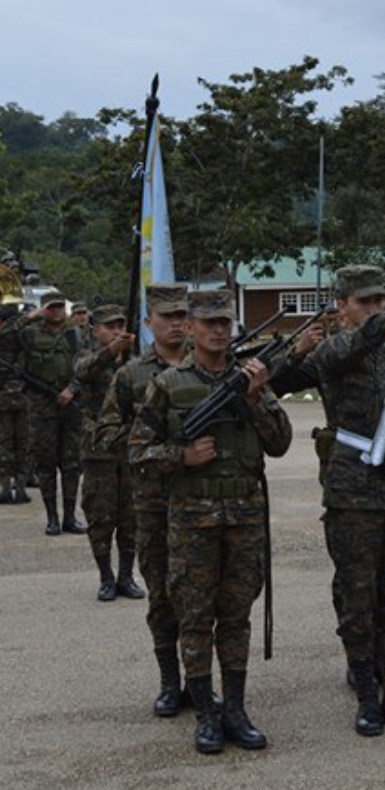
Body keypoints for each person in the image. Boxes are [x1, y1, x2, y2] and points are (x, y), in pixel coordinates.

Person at [270, 265, 385, 737]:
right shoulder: (333, 350)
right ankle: (367, 692)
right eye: (363, 301)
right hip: (353, 492)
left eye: (379, 300)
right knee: (358, 594)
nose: (374, 308)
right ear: (341, 306)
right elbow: (345, 349)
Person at [129, 289, 292, 755]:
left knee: (236, 617)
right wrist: (181, 456)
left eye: (225, 322)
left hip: (243, 517)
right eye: (209, 323)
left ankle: (235, 711)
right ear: (194, 329)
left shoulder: (252, 379)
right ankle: (205, 714)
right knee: (196, 618)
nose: (218, 330)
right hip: (192, 521)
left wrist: (258, 397)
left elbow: (279, 443)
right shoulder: (168, 384)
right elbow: (137, 453)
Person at [96, 285, 192, 714]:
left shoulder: (208, 368)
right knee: (162, 596)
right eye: (166, 316)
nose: (176, 323)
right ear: (149, 321)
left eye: (182, 315)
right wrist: (154, 438)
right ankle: (171, 684)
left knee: (203, 597)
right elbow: (105, 434)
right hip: (153, 503)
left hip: (204, 500)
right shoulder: (131, 375)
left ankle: (202, 682)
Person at [75, 304, 143, 601]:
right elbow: (82, 371)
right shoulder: (87, 355)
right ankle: (106, 576)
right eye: (109, 326)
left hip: (129, 448)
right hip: (99, 450)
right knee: (100, 515)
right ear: (96, 330)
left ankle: (127, 576)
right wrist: (109, 353)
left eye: (120, 325)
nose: (116, 330)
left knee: (131, 516)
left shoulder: (133, 361)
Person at [11, 291, 85, 535]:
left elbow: (86, 366)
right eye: (51, 307)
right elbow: (6, 334)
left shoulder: (76, 332)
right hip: (41, 406)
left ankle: (70, 517)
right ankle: (52, 517)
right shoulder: (30, 334)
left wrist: (72, 389)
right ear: (43, 309)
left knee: (72, 464)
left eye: (59, 307)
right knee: (46, 464)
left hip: (70, 405)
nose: (56, 312)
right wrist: (30, 316)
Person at [0, 304, 31, 504]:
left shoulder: (18, 335)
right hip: (17, 396)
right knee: (18, 444)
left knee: (10, 444)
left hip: (14, 396)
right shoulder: (21, 332)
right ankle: (15, 487)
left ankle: (11, 488)